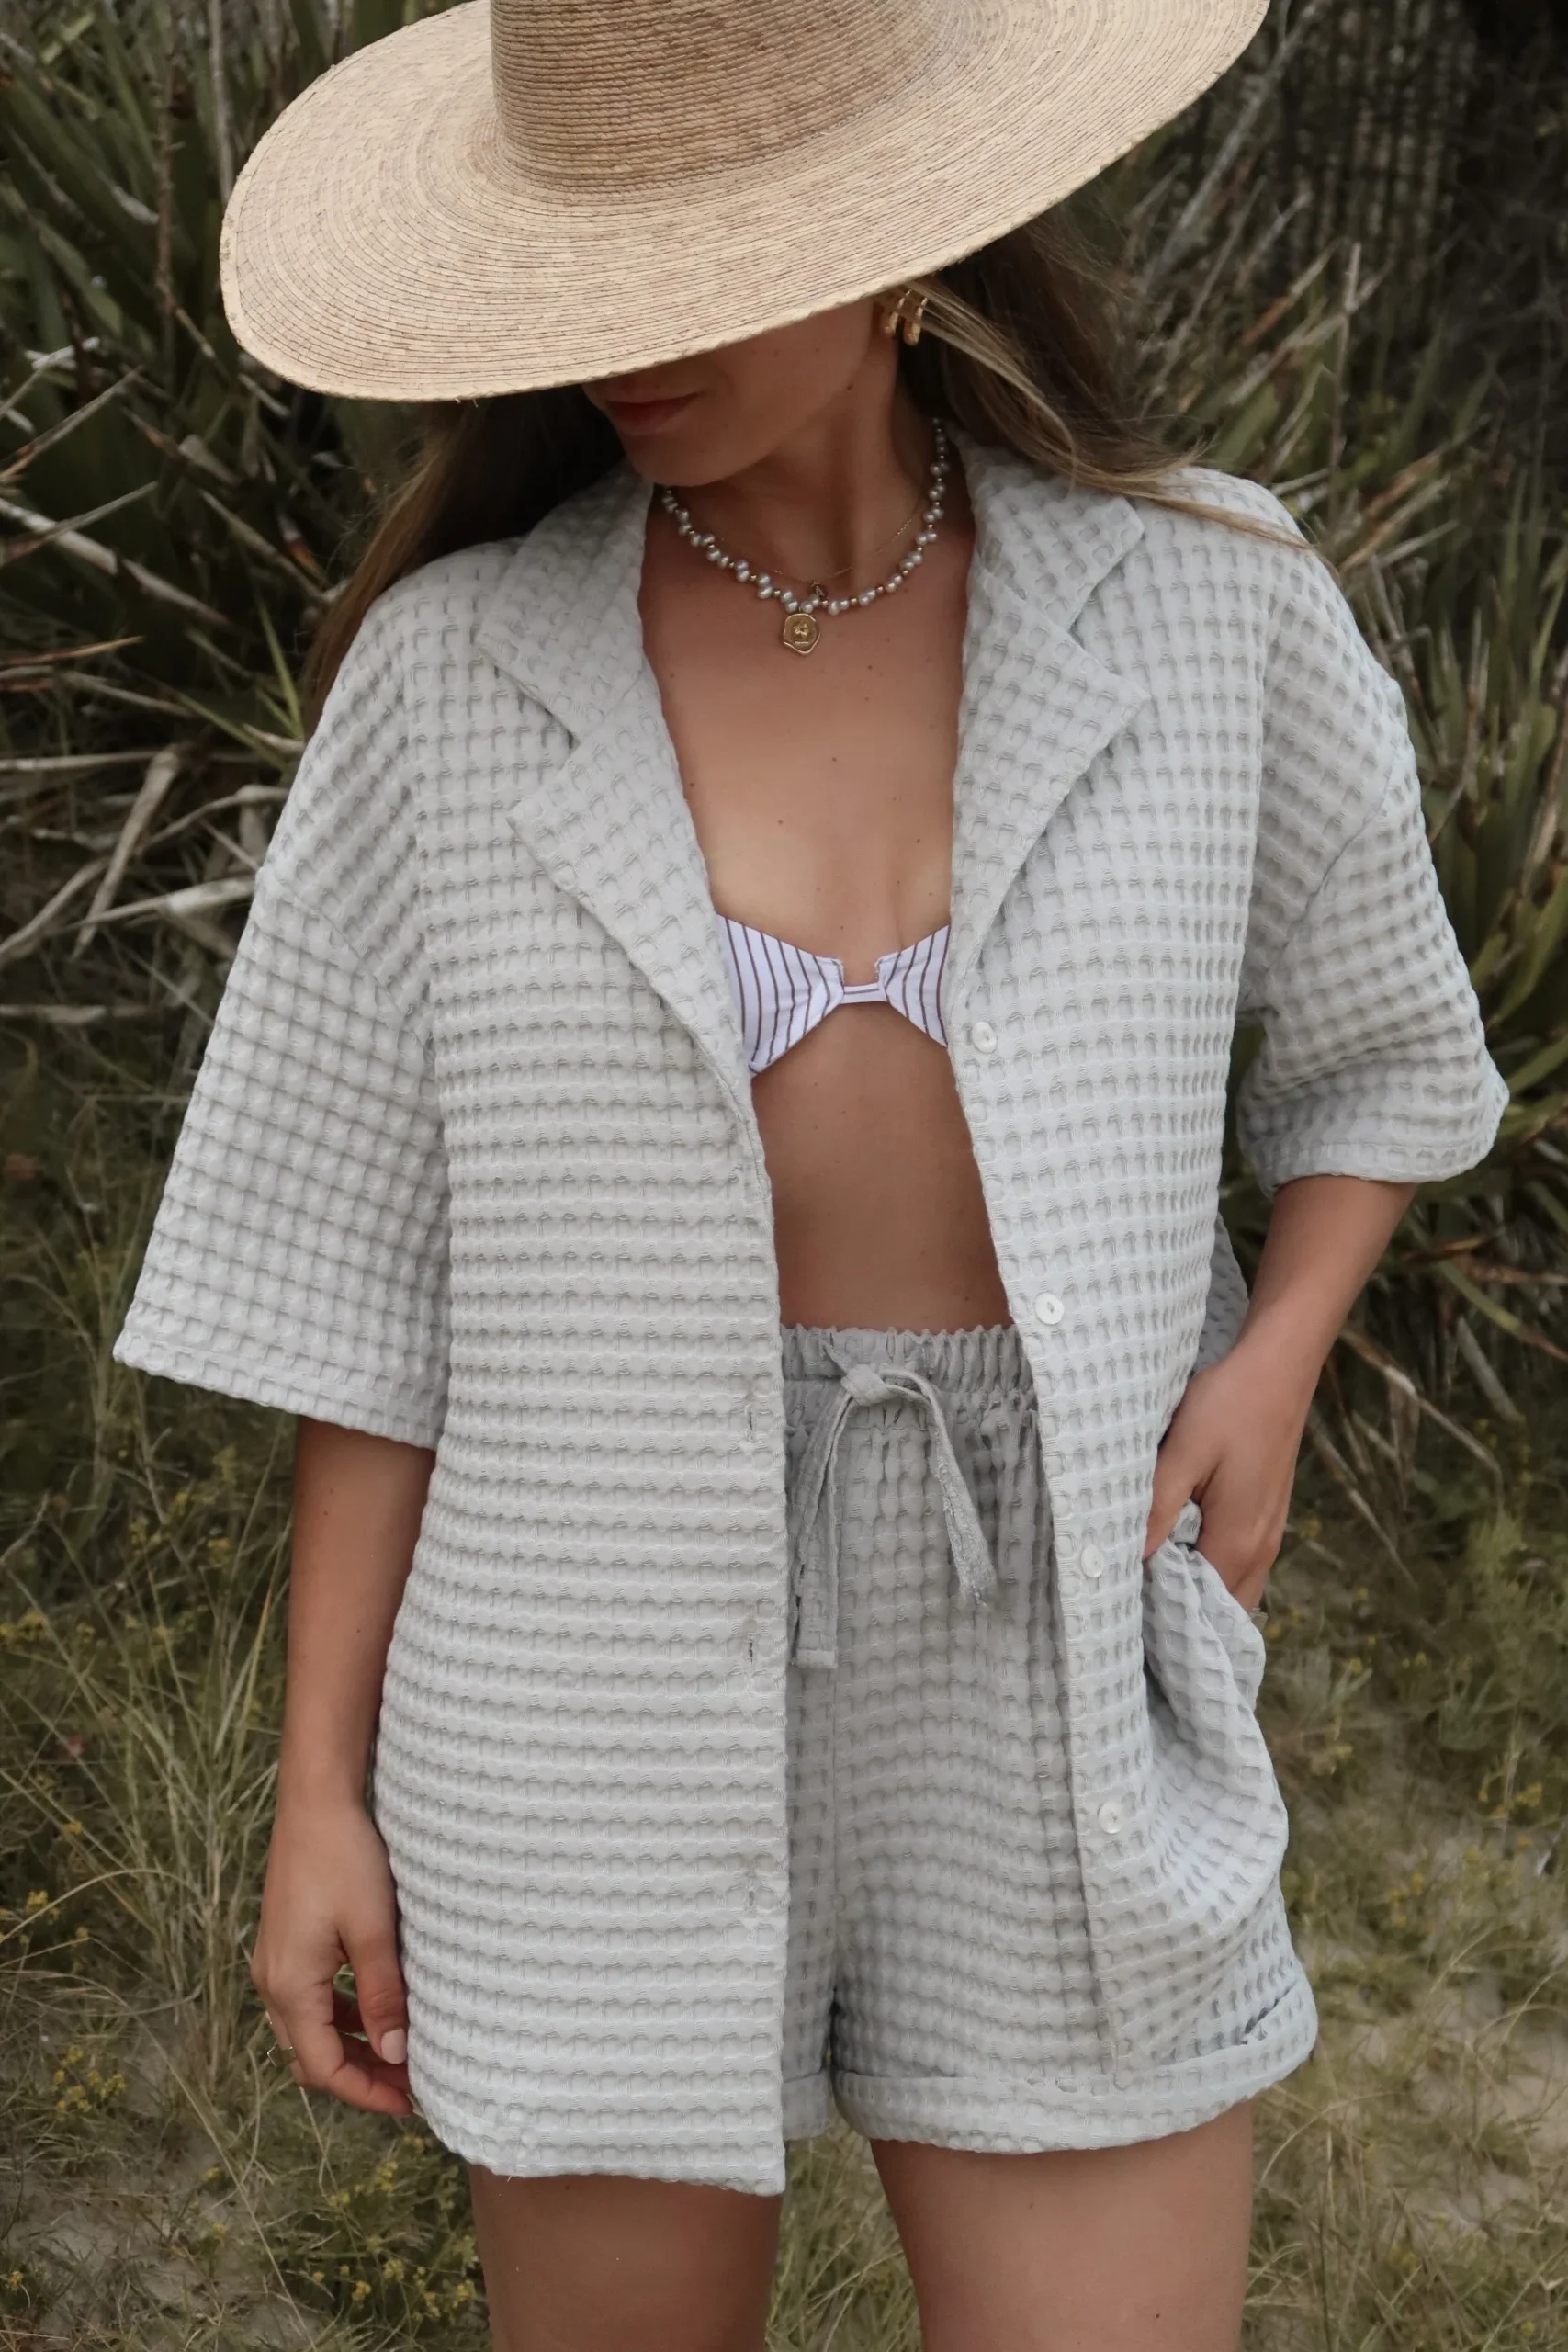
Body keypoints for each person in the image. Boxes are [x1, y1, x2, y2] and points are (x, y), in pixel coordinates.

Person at [113, 0, 1509, 2344]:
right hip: (579, 1651)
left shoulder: (1211, 605)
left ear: (897, 245)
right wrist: (315, 1790)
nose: (623, 341)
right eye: (583, 269)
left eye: (698, 260)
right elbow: (364, 1293)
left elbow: (1382, 1057)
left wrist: (1273, 1356)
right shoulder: (450, 679)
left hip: (1058, 1641)